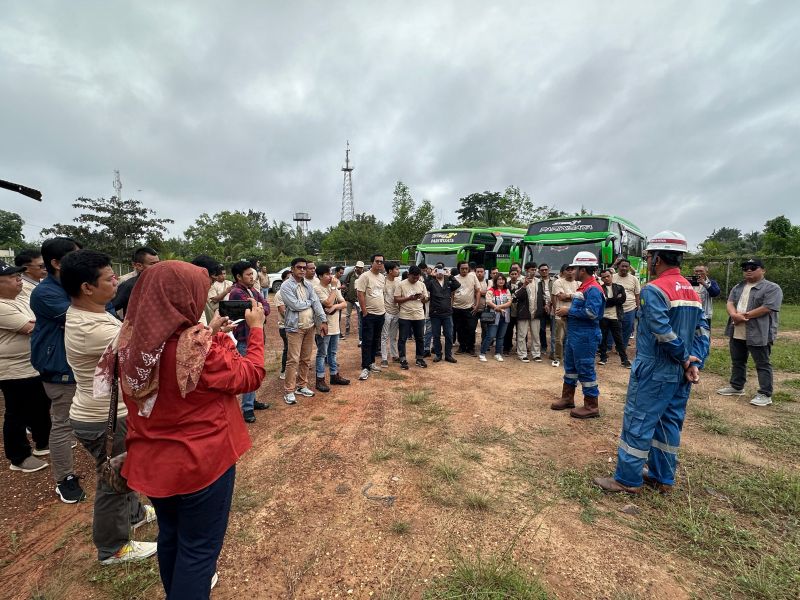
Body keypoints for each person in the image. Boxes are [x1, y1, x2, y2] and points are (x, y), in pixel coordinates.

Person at [110, 261, 265, 597]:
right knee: (198, 550)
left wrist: (211, 332)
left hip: (153, 460)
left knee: (170, 534)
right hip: (201, 462)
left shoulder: (128, 344)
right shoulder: (200, 350)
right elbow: (250, 375)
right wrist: (256, 330)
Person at [60, 250, 157, 564]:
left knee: (124, 470)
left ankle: (134, 515)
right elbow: (145, 354)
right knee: (112, 482)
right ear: (87, 287)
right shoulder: (94, 328)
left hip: (104, 412)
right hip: (104, 418)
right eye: (109, 278)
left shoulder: (92, 313)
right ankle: (112, 548)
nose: (117, 281)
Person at [595, 231, 709, 494]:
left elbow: (662, 331)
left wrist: (683, 359)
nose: (648, 261)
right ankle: (661, 477)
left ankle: (627, 479)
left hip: (656, 367)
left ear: (657, 258)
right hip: (681, 371)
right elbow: (702, 330)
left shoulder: (654, 290)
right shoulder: (692, 292)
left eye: (648, 257)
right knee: (669, 422)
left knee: (639, 420)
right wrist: (694, 362)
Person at [30, 237, 86, 503]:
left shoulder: (78, 287)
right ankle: (65, 478)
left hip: (86, 364)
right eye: (75, 257)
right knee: (63, 423)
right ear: (56, 263)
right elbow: (80, 319)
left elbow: (106, 312)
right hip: (60, 367)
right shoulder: (45, 293)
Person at [0, 260, 51, 473]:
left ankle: (42, 443)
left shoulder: (19, 299)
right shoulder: (1, 306)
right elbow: (31, 327)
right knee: (17, 413)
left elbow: (40, 320)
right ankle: (18, 457)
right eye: (13, 277)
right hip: (12, 370)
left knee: (39, 405)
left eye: (19, 276)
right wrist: (42, 323)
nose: (19, 280)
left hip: (31, 365)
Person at [717, 258, 783, 407]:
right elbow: (730, 302)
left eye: (753, 267)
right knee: (738, 360)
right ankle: (737, 387)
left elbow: (768, 307)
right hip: (737, 329)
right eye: (745, 267)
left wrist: (742, 316)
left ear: (763, 270)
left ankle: (765, 394)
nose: (748, 270)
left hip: (759, 332)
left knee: (762, 363)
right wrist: (734, 315)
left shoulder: (772, 288)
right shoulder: (738, 287)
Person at [551, 252, 605, 418]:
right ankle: (568, 398)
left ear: (582, 269)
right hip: (576, 334)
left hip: (586, 336)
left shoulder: (594, 289)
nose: (572, 271)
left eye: (575, 268)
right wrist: (569, 314)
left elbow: (592, 313)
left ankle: (591, 405)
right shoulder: (584, 287)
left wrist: (569, 310)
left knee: (585, 368)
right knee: (571, 367)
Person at [280, 258, 328, 404]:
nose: (302, 270)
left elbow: (317, 305)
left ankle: (302, 386)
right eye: (299, 267)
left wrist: (323, 320)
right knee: (293, 360)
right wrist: (310, 302)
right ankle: (289, 390)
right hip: (295, 328)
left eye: (304, 268)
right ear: (292, 269)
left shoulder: (308, 285)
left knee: (306, 359)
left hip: (310, 326)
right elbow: (295, 305)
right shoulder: (286, 286)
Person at [228, 260, 271, 422]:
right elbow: (258, 309)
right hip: (246, 338)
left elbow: (265, 307)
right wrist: (260, 308)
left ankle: (252, 401)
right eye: (248, 274)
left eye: (252, 274)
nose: (252, 277)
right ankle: (247, 409)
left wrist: (261, 307)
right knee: (248, 373)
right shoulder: (237, 293)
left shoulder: (251, 290)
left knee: (254, 370)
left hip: (254, 336)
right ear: (238, 277)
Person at [312, 265, 349, 390]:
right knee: (322, 354)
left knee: (332, 353)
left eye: (331, 274)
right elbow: (327, 302)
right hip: (324, 326)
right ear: (320, 276)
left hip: (335, 326)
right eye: (327, 274)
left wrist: (334, 307)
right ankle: (320, 380)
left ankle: (334, 375)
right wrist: (333, 288)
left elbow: (343, 303)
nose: (331, 277)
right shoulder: (317, 288)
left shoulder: (332, 287)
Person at [355, 255, 386, 380]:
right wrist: (364, 311)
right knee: (367, 340)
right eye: (377, 261)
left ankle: (372, 362)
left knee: (375, 339)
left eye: (381, 262)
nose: (379, 264)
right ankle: (365, 367)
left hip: (381, 313)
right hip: (369, 314)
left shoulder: (382, 277)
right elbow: (360, 293)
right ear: (372, 262)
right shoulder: (365, 276)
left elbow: (381, 293)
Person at [394, 265, 429, 369]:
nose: (415, 279)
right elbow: (396, 299)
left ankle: (419, 358)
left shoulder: (422, 285)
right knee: (402, 339)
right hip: (405, 315)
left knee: (420, 338)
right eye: (413, 277)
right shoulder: (401, 284)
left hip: (419, 315)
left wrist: (423, 297)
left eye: (417, 277)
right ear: (408, 275)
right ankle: (403, 359)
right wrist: (409, 298)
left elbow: (426, 299)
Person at [425, 263, 460, 363]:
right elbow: (425, 286)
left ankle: (448, 355)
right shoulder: (432, 282)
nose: (439, 273)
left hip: (447, 313)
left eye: (441, 271)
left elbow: (457, 285)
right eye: (437, 271)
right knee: (436, 335)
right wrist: (431, 274)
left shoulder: (448, 281)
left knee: (449, 335)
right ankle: (438, 354)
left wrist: (450, 276)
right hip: (435, 314)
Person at [112, 247, 160, 316]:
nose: (158, 266)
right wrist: (120, 324)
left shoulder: (162, 283)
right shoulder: (130, 286)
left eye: (158, 263)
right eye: (152, 264)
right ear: (139, 266)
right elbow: (109, 309)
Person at [514, 269, 550, 362]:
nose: (533, 272)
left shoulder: (539, 282)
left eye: (535, 269)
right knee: (522, 334)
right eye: (531, 270)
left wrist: (545, 304)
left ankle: (536, 354)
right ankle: (522, 354)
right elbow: (517, 296)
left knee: (536, 334)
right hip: (524, 312)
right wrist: (524, 285)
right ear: (526, 271)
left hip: (536, 312)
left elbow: (542, 295)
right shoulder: (520, 282)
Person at [598, 269, 631, 368]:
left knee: (619, 339)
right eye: (604, 277)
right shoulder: (600, 288)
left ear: (612, 276)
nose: (606, 278)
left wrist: (609, 300)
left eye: (608, 276)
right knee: (603, 338)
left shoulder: (619, 287)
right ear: (602, 278)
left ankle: (624, 360)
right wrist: (615, 299)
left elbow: (622, 300)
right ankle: (603, 357)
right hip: (603, 317)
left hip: (616, 317)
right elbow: (603, 302)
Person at [479, 273, 512, 362]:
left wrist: (498, 307)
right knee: (490, 335)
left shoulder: (507, 290)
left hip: (505, 317)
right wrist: (497, 308)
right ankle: (482, 353)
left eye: (503, 279)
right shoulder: (491, 290)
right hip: (494, 316)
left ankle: (498, 353)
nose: (501, 281)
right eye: (499, 279)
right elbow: (488, 302)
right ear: (495, 281)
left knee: (501, 337)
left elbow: (509, 302)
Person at [550, 264, 578, 368]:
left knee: (572, 338)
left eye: (572, 270)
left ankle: (569, 358)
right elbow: (561, 298)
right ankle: (557, 358)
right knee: (559, 338)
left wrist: (569, 296)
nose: (570, 272)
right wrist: (575, 296)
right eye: (568, 270)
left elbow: (583, 297)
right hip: (560, 314)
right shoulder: (558, 282)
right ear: (563, 272)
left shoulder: (578, 282)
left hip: (574, 313)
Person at [452, 261, 480, 355]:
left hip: (470, 308)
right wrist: (451, 306)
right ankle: (462, 347)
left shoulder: (473, 276)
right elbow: (452, 294)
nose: (464, 270)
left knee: (471, 328)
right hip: (456, 308)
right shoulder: (455, 279)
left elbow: (478, 291)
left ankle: (471, 347)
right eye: (462, 268)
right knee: (459, 328)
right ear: (458, 269)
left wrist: (477, 305)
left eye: (466, 268)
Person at [611, 259, 641, 349]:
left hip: (630, 308)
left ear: (629, 267)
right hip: (614, 308)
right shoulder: (612, 277)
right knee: (613, 328)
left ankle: (621, 348)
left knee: (627, 329)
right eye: (622, 266)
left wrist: (638, 307)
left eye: (626, 266)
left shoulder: (634, 279)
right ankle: (608, 346)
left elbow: (637, 294)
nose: (624, 268)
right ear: (618, 267)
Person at [380, 261, 401, 367]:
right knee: (384, 336)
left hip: (396, 312)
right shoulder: (383, 282)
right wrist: (383, 311)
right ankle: (384, 358)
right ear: (390, 271)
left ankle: (394, 355)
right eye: (396, 269)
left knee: (393, 336)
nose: (398, 271)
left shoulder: (398, 281)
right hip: (386, 312)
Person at [273, 270, 291, 379]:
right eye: (288, 278)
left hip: (295, 326)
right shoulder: (279, 294)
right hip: (285, 327)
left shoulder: (293, 292)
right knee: (288, 348)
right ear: (283, 280)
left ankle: (291, 369)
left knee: (294, 349)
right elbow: (282, 311)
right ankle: (284, 371)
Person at [503, 266, 524, 355]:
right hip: (509, 310)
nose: (514, 276)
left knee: (521, 330)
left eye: (515, 274)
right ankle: (507, 347)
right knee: (508, 330)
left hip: (519, 311)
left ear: (518, 274)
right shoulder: (506, 285)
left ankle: (521, 348)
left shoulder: (522, 285)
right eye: (512, 274)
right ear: (509, 275)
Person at [343, 261, 364, 341]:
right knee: (348, 315)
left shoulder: (364, 275)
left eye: (361, 268)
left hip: (359, 299)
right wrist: (347, 290)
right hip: (350, 298)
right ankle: (347, 331)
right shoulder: (351, 274)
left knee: (359, 316)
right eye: (358, 267)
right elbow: (345, 283)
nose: (359, 269)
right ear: (356, 267)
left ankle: (360, 333)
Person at [537, 264, 555, 358]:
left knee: (553, 328)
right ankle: (543, 347)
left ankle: (554, 349)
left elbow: (555, 293)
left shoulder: (555, 281)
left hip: (553, 306)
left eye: (546, 269)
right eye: (542, 270)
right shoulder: (537, 282)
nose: (544, 271)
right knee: (542, 328)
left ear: (549, 270)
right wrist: (544, 305)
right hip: (542, 307)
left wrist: (550, 304)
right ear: (539, 271)